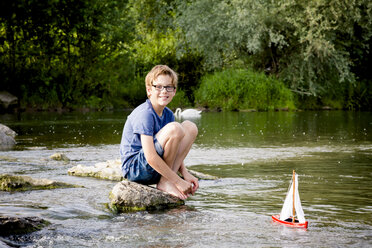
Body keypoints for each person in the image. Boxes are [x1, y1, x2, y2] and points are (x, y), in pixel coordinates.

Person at [119, 65, 199, 200]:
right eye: (159, 87)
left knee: (190, 127)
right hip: (136, 170)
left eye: (169, 87)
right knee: (175, 128)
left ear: (174, 91)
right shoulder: (145, 114)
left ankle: (167, 179)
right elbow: (150, 156)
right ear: (149, 90)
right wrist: (177, 181)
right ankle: (166, 182)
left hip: (156, 169)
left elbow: (173, 147)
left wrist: (185, 173)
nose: (164, 91)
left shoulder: (167, 114)